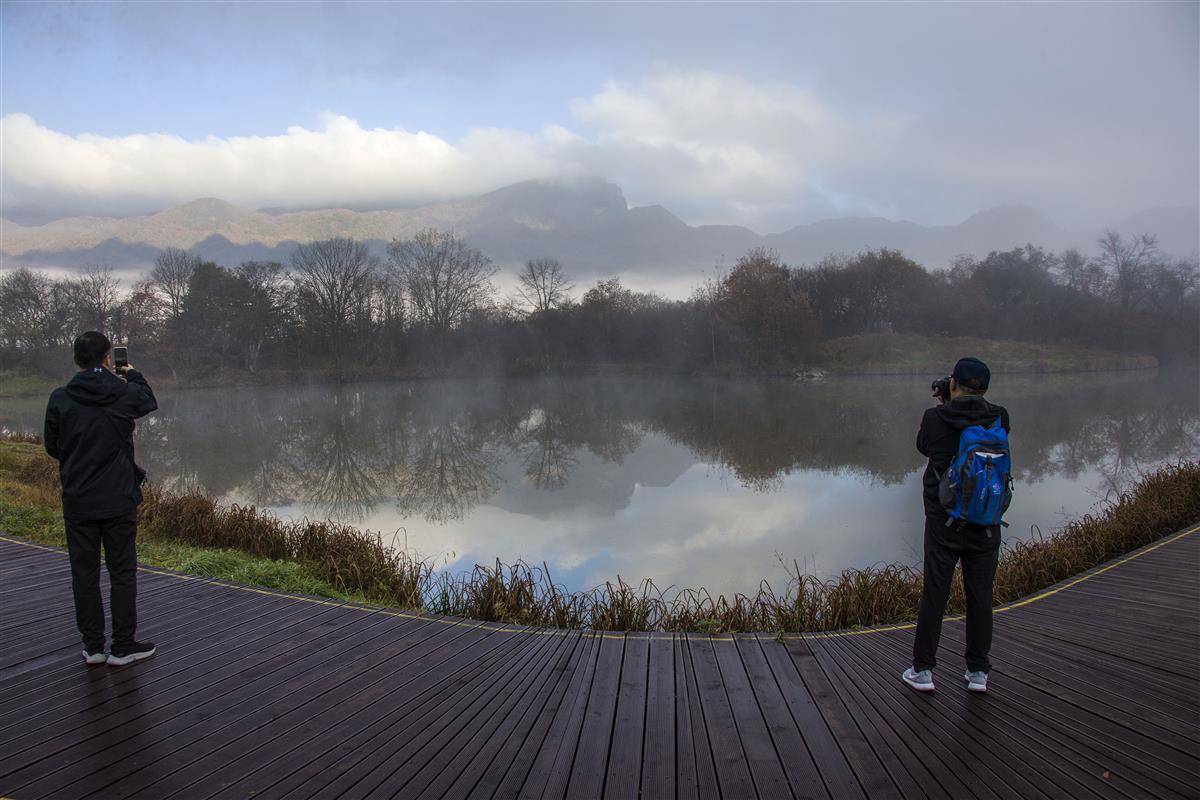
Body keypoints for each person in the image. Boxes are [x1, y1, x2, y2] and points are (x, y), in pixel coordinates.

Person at [43, 331, 158, 666]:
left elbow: (53, 446)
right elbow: (148, 399)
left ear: (77, 360)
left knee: (84, 574)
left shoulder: (60, 398)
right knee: (122, 572)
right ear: (108, 359)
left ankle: (93, 647)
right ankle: (123, 647)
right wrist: (131, 373)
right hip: (118, 499)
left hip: (78, 500)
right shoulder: (122, 393)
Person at [902, 356, 1010, 694]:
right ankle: (978, 672)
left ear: (952, 383)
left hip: (944, 522)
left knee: (935, 593)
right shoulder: (1000, 416)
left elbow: (925, 446)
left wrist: (944, 404)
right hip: (987, 520)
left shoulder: (935, 417)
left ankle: (923, 672)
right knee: (981, 596)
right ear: (985, 387)